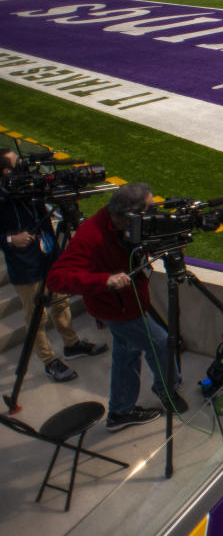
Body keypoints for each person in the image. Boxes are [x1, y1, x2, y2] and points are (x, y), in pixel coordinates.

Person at [47, 183, 186, 431]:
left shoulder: (126, 225)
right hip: (117, 310)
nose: (154, 214)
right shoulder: (91, 235)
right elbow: (56, 278)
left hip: (130, 304)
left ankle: (120, 412)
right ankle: (166, 388)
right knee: (162, 342)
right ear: (129, 215)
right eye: (149, 208)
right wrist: (104, 280)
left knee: (127, 353)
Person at [2, 150, 106, 383]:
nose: (24, 167)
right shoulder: (3, 197)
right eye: (18, 164)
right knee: (36, 317)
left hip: (50, 256)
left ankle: (72, 344)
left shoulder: (30, 188)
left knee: (61, 304)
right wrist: (10, 239)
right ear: (6, 172)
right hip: (25, 265)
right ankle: (49, 361)